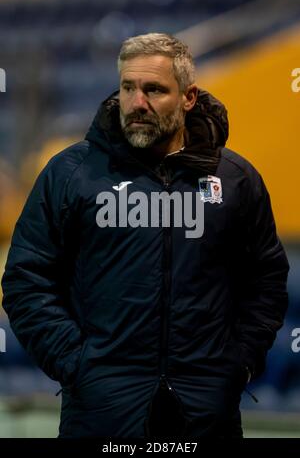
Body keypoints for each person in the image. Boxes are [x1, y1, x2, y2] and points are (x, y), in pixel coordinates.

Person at [1, 33, 289, 438]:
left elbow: (267, 282)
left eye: (154, 90)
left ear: (188, 97)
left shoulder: (235, 179)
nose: (137, 103)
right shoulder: (70, 173)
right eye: (128, 88)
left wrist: (235, 364)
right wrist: (79, 365)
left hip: (206, 411)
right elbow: (25, 280)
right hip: (100, 412)